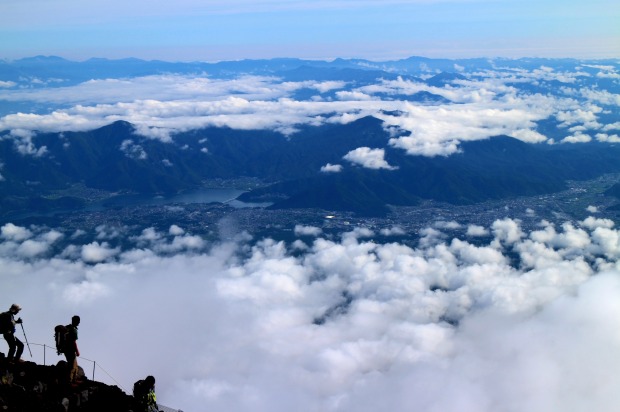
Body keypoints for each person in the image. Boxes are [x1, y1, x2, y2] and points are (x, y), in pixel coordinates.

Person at [63, 315, 80, 383]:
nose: (79, 323)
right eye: (78, 321)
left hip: (65, 349)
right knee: (72, 366)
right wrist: (77, 351)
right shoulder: (74, 330)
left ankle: (74, 380)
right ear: (76, 321)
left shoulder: (67, 327)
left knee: (74, 364)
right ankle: (69, 382)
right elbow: (74, 342)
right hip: (70, 349)